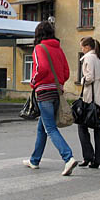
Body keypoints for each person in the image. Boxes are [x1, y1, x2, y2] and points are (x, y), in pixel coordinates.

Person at [23, 21, 78, 176]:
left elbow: (42, 68)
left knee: (50, 128)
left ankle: (68, 157)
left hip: (44, 93)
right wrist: (58, 82)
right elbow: (66, 72)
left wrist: (33, 81)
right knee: (42, 128)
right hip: (56, 92)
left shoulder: (39, 48)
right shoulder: (58, 49)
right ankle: (34, 160)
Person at [77, 37, 100, 169]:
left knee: (82, 125)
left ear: (87, 47)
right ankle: (99, 160)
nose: (81, 49)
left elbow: (89, 78)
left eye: (82, 47)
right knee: (99, 128)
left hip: (92, 96)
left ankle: (88, 156)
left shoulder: (88, 58)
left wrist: (82, 81)